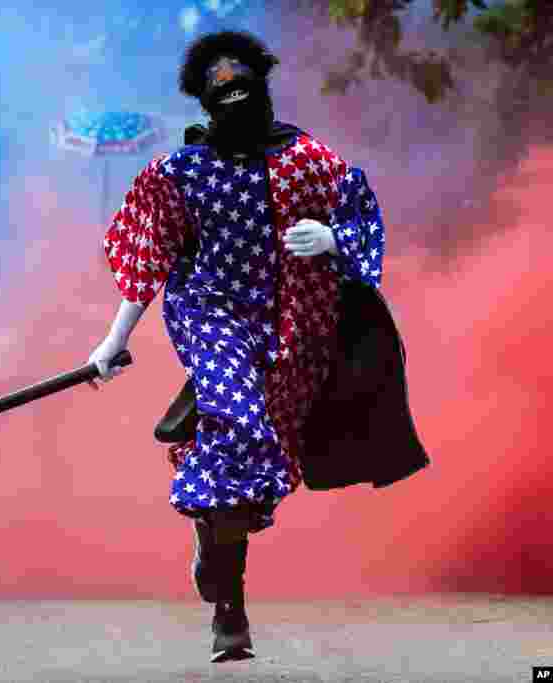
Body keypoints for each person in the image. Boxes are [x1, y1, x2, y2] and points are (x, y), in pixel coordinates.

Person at [85, 30, 427, 663]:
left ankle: (213, 556)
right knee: (240, 424)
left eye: (244, 85)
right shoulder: (177, 174)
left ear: (263, 86)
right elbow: (148, 260)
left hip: (296, 325)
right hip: (210, 315)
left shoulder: (308, 159)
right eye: (222, 91)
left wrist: (330, 238)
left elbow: (363, 221)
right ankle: (229, 610)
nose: (234, 95)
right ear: (205, 102)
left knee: (260, 467)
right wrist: (112, 340)